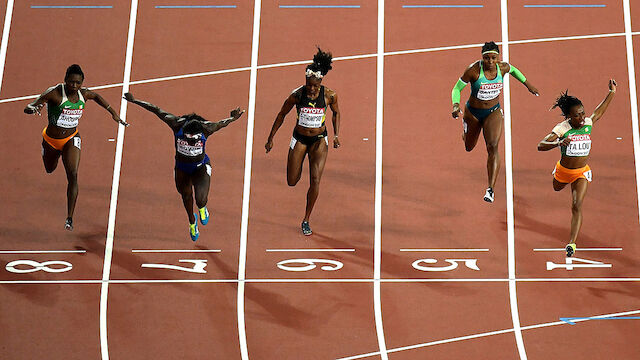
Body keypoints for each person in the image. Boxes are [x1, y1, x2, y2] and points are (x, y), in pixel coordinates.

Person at [123, 92, 244, 241]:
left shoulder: (207, 128)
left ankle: (202, 208)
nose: (191, 139)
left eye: (194, 137)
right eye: (188, 136)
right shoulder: (176, 124)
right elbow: (156, 109)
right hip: (182, 168)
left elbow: (223, 123)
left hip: (200, 167)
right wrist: (135, 101)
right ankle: (192, 222)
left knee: (200, 199)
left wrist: (232, 118)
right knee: (186, 196)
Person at [24, 64, 128, 231]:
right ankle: (54, 155)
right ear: (65, 80)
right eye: (71, 82)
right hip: (51, 140)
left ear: (82, 83)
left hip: (71, 138)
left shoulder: (83, 94)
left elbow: (96, 96)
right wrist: (33, 108)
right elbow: (29, 106)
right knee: (50, 169)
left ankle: (69, 217)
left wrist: (113, 113)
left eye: (78, 83)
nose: (74, 86)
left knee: (72, 173)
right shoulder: (54, 93)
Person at [265, 48, 341, 236]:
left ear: (321, 83)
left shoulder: (330, 95)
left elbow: (336, 113)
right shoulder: (297, 95)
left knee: (315, 180)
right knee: (292, 180)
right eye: (309, 85)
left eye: (315, 86)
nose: (312, 89)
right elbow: (282, 114)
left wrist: (336, 135)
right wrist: (271, 138)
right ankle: (298, 168)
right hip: (299, 138)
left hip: (319, 140)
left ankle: (306, 219)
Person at [451, 41, 539, 202]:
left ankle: (490, 189)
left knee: (492, 146)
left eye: (493, 58)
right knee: (469, 147)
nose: (490, 62)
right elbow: (456, 88)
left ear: (498, 58)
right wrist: (455, 105)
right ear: (482, 58)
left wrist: (528, 85)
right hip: (473, 113)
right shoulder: (473, 71)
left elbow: (514, 71)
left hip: (493, 112)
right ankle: (466, 133)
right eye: (486, 58)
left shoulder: (503, 68)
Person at [537, 80, 616, 257]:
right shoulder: (562, 129)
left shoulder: (587, 123)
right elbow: (540, 145)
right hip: (563, 171)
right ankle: (558, 178)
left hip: (581, 172)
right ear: (568, 117)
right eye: (577, 116)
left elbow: (598, 113)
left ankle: (571, 243)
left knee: (576, 204)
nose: (581, 118)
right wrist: (558, 143)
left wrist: (611, 93)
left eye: (582, 114)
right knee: (556, 188)